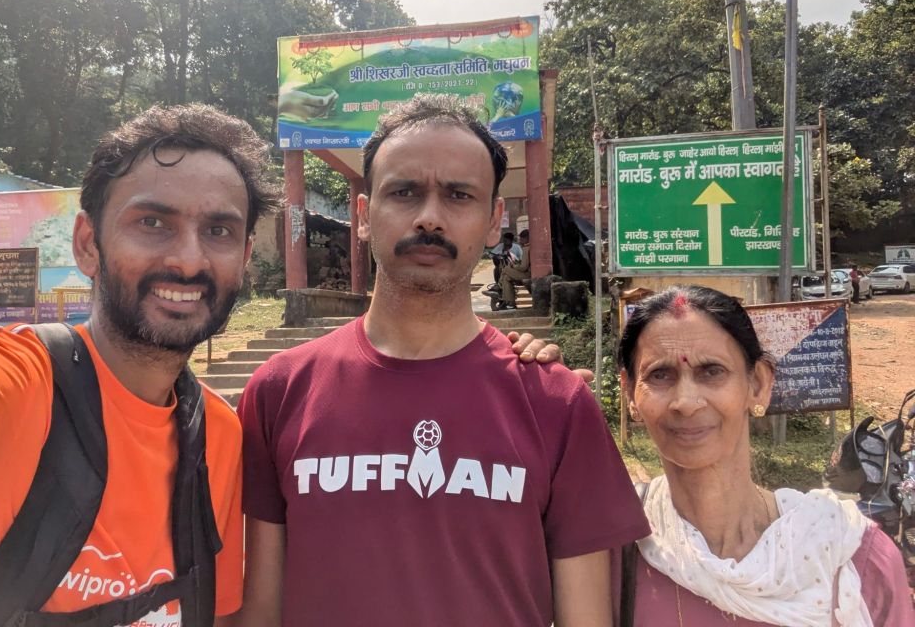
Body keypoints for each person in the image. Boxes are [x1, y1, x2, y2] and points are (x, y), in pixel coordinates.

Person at [234, 94, 650, 627]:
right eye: (404, 192)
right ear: (363, 214)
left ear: (494, 221)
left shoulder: (557, 403)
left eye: (458, 195)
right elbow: (260, 610)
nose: (429, 217)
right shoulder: (279, 392)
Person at [0, 104, 284, 625]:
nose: (189, 260)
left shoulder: (219, 434)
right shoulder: (8, 380)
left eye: (218, 231)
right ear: (87, 244)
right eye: (152, 223)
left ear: (245, 258)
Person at [615, 285, 913, 626]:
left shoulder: (848, 556)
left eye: (711, 371)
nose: (686, 402)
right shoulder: (616, 553)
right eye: (659, 375)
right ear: (631, 393)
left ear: (758, 383)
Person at [495, 227, 531, 309]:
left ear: (525, 239)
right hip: (528, 272)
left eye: (521, 239)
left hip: (528, 274)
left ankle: (499, 286)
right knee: (506, 277)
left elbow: (523, 267)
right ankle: (510, 302)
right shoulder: (527, 247)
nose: (519, 240)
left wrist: (514, 266)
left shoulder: (526, 249)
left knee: (506, 269)